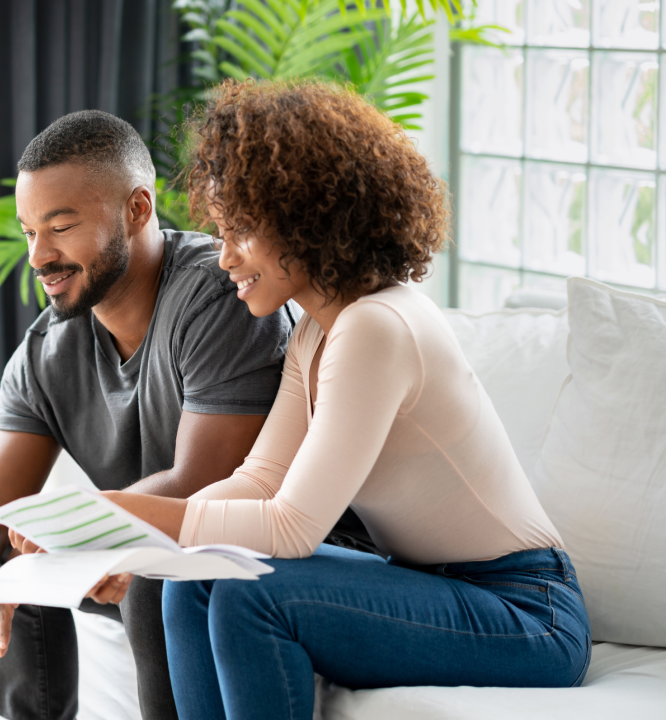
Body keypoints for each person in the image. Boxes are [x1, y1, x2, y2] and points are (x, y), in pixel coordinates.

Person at [0, 110, 373, 720]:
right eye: (28, 232)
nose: (39, 256)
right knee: (15, 567)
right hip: (153, 541)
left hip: (271, 550)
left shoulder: (219, 296)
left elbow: (207, 483)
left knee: (151, 573)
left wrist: (83, 535)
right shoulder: (48, 349)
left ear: (137, 209)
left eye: (61, 227)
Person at [93, 79, 592, 720]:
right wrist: (144, 538)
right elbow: (258, 481)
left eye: (240, 230)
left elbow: (292, 528)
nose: (224, 258)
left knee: (251, 595)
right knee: (192, 577)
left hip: (528, 611)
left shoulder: (375, 327)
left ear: (305, 217)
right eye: (220, 232)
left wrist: (123, 516)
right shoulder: (316, 331)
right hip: (436, 586)